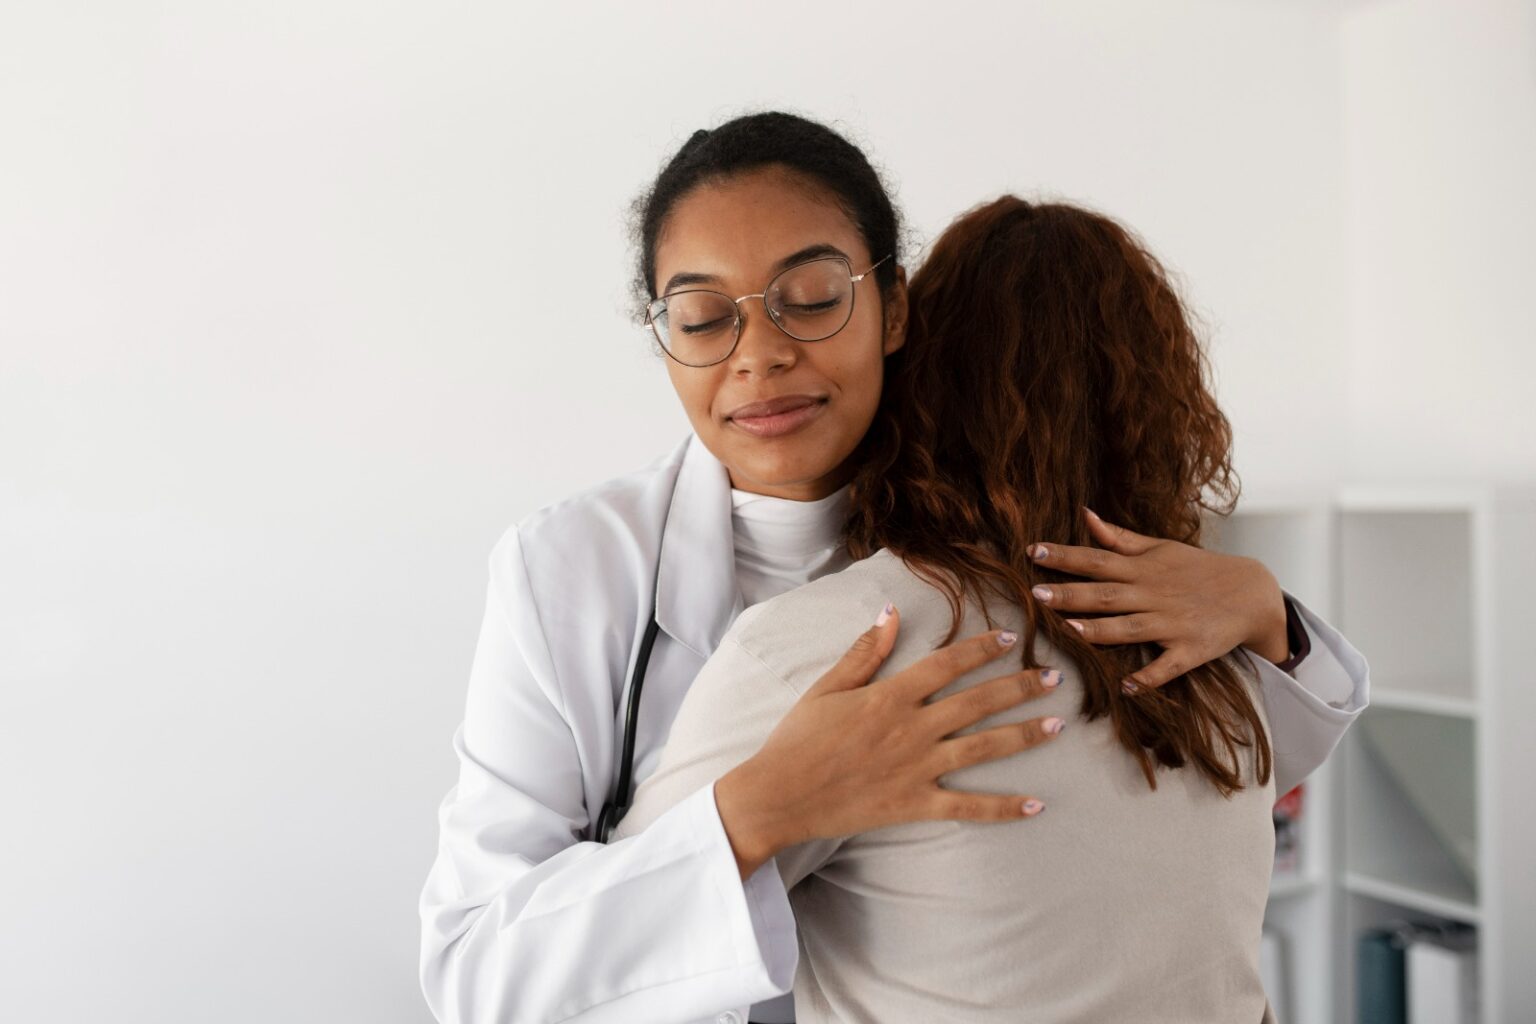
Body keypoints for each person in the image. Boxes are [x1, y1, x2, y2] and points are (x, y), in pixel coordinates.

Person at [417, 113, 1369, 1024]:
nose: (761, 356)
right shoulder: (570, 569)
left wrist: (1266, 617)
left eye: (812, 298)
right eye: (702, 319)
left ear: (895, 307)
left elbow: (1177, 788)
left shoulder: (1006, 553)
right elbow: (474, 971)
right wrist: (766, 808)